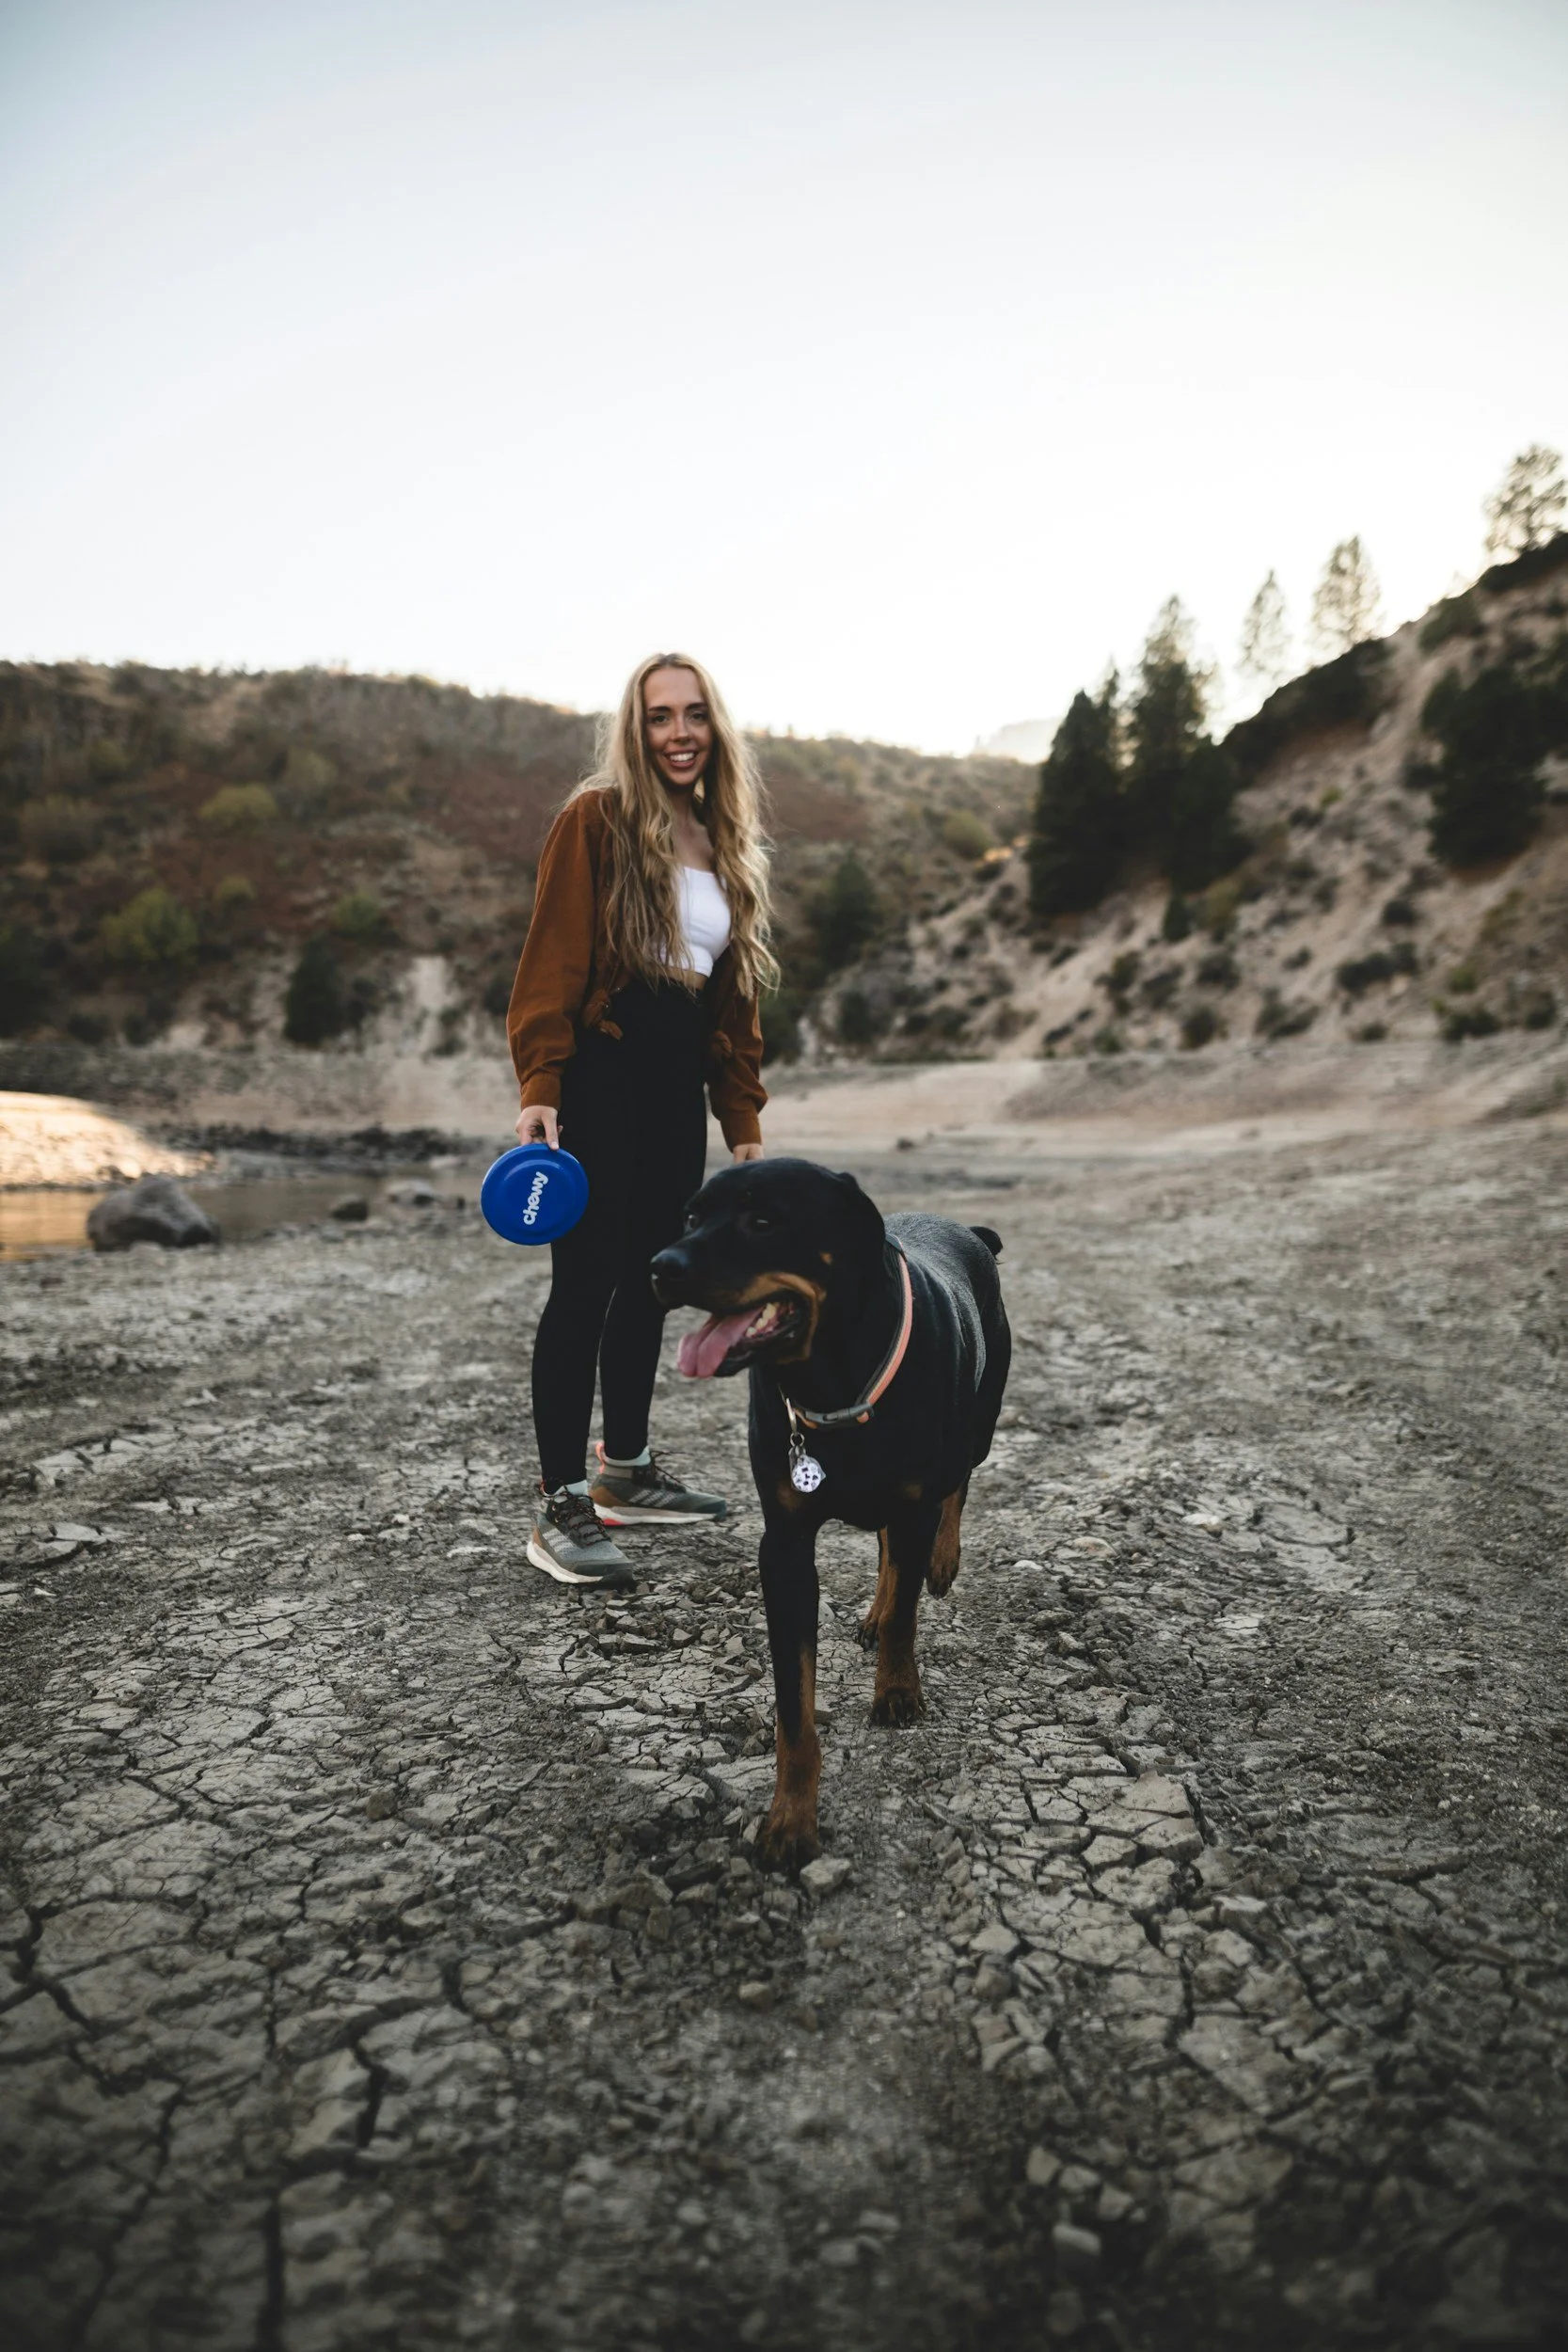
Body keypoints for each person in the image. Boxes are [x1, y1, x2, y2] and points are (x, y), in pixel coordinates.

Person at [506, 652, 775, 1588]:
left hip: (674, 1088)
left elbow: (733, 1004)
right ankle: (558, 1505)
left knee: (650, 1282)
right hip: (601, 1075)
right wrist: (541, 1085)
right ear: (635, 728)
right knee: (583, 1285)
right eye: (659, 716)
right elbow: (551, 958)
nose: (677, 732)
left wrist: (740, 1118)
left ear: (714, 727)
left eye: (693, 714)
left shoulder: (724, 839)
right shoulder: (597, 819)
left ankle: (623, 1469)